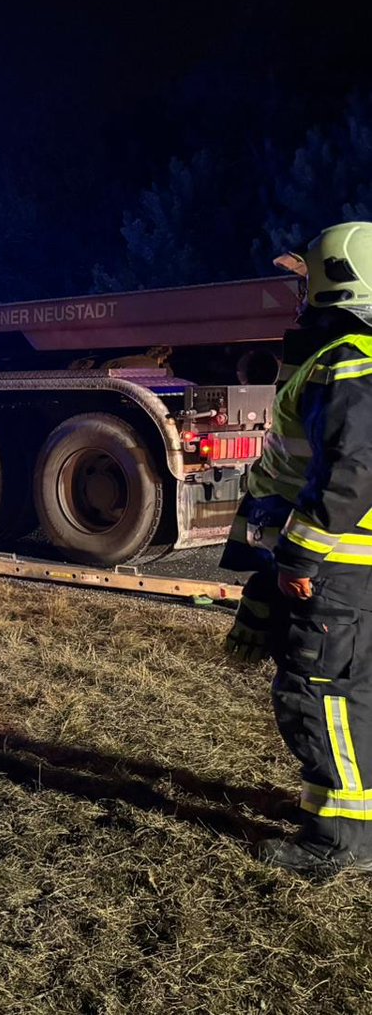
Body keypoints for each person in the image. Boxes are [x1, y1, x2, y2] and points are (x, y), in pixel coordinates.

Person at [222, 221, 372, 878]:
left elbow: (353, 471)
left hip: (334, 569)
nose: (299, 289)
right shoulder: (348, 355)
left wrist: (299, 556)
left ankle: (337, 840)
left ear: (337, 276)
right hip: (347, 568)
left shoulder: (345, 357)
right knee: (349, 693)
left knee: (317, 694)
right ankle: (349, 820)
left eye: (306, 276)